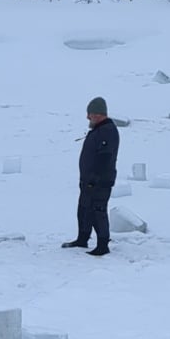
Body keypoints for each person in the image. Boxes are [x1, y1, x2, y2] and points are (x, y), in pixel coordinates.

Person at [62, 97, 120, 256]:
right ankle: (82, 238)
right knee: (84, 209)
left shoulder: (106, 131)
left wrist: (94, 180)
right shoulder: (99, 130)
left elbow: (104, 159)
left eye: (90, 114)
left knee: (97, 210)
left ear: (98, 114)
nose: (88, 117)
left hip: (99, 182)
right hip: (89, 181)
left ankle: (103, 245)